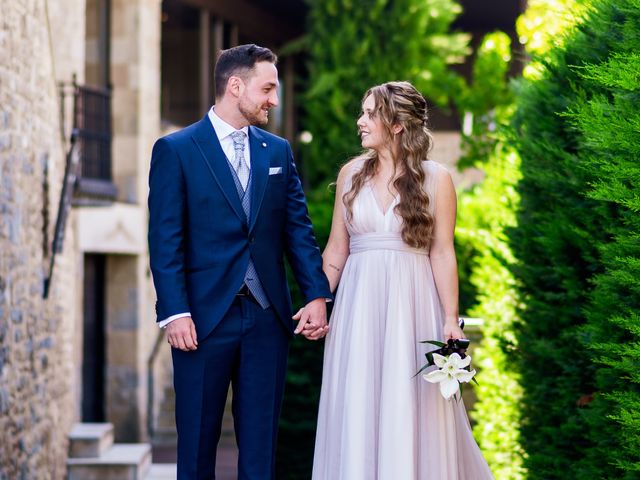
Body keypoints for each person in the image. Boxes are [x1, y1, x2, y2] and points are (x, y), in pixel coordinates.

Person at [148, 44, 331, 480]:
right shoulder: (176, 149)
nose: (274, 99)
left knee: (260, 452)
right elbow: (165, 239)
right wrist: (174, 311)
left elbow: (298, 231)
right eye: (267, 88)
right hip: (200, 322)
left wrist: (318, 295)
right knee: (195, 449)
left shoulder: (278, 151)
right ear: (235, 86)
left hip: (268, 320)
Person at [306, 81, 493, 479]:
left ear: (395, 124)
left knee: (410, 404)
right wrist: (317, 300)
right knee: (358, 401)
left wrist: (449, 318)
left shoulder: (436, 178)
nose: (361, 121)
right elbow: (337, 249)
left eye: (370, 113)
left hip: (412, 305)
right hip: (358, 308)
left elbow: (442, 251)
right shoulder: (350, 174)